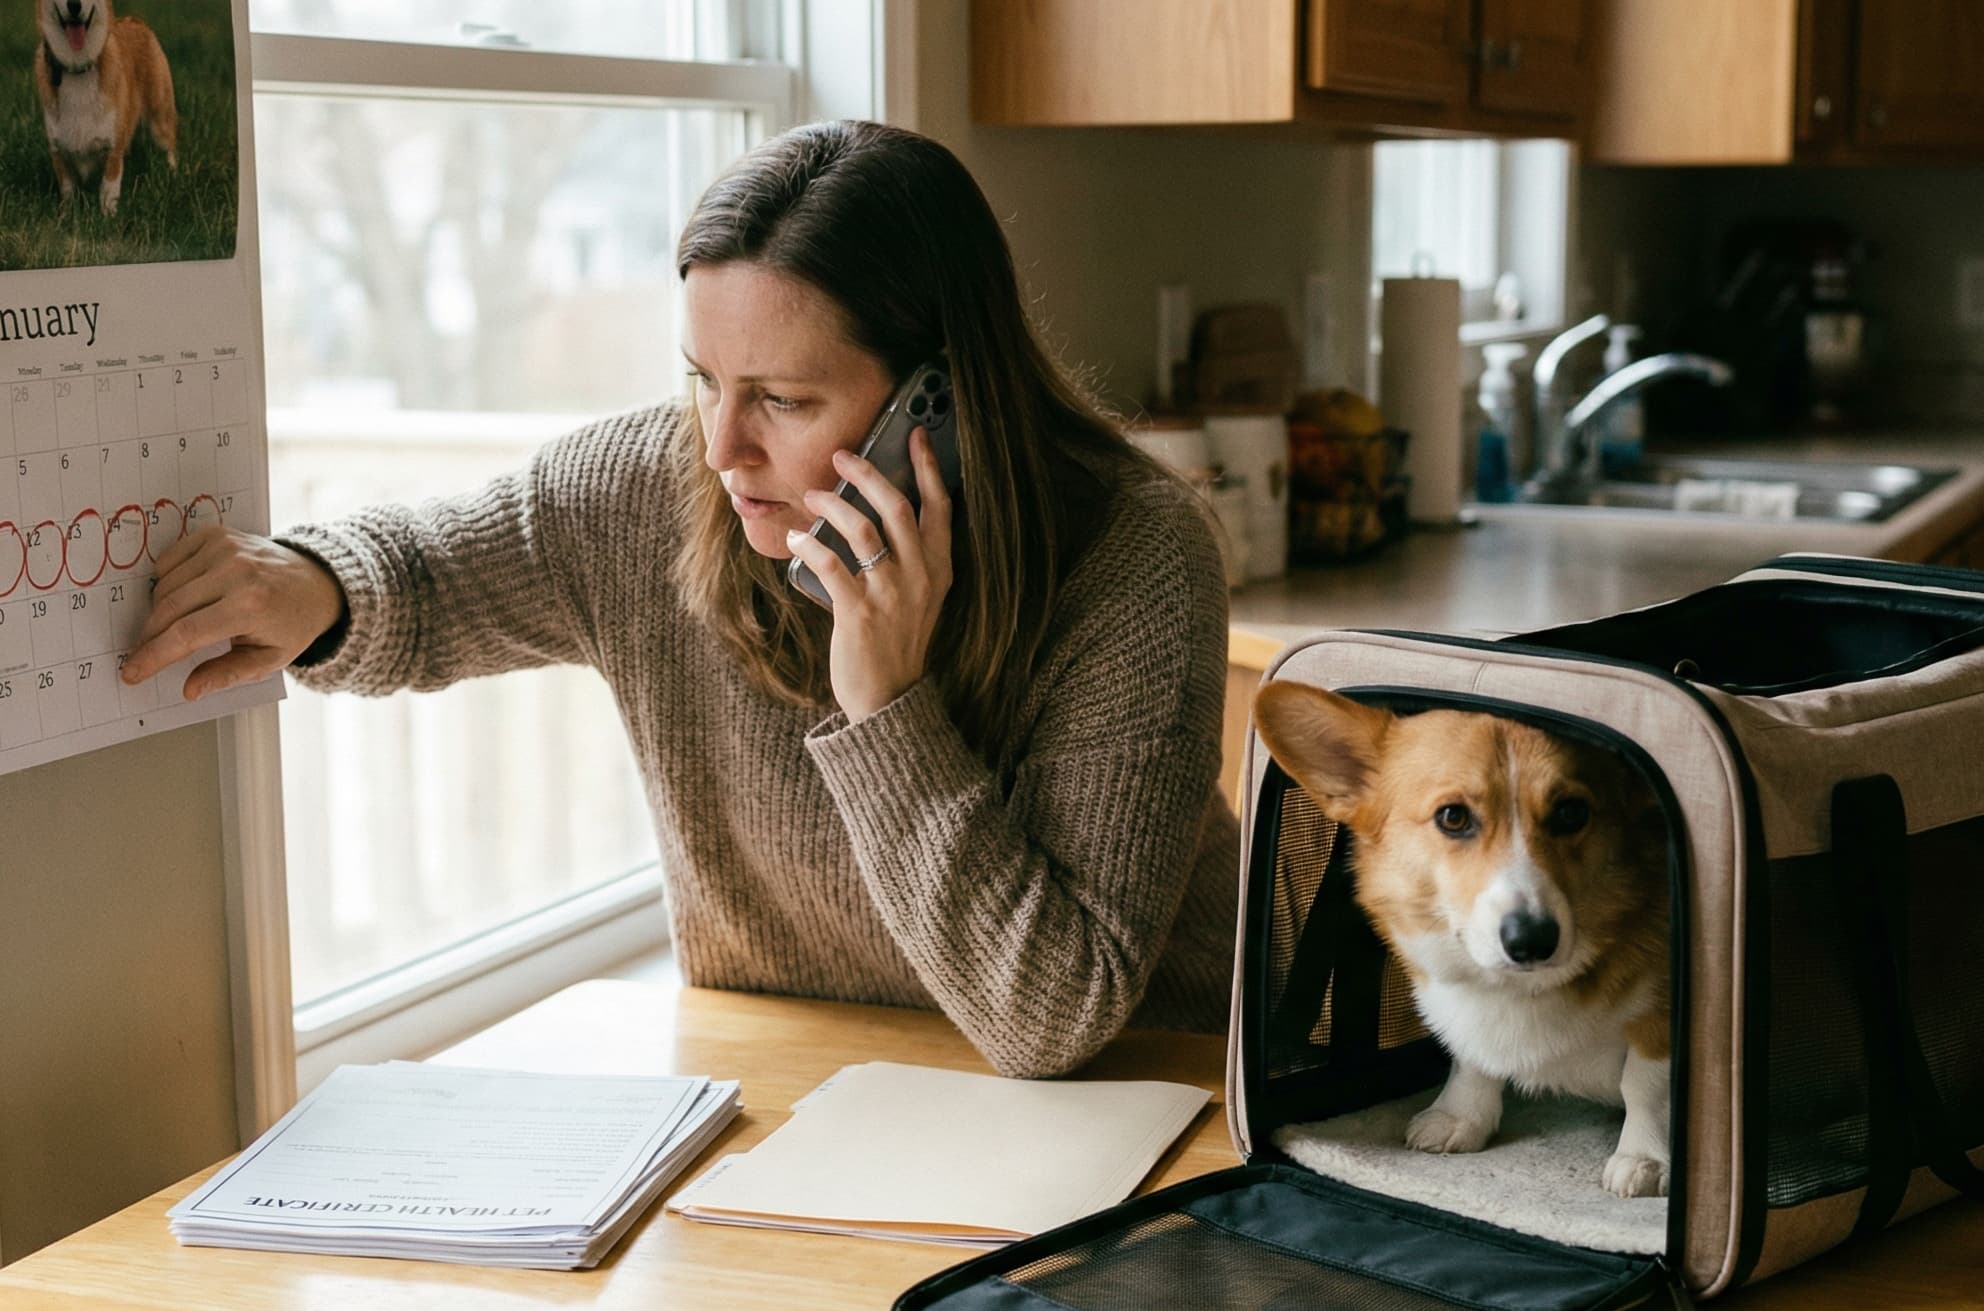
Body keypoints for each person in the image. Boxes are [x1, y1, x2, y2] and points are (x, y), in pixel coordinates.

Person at [119, 120, 1237, 1078]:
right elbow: (424, 570)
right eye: (704, 380)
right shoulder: (647, 493)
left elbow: (1051, 1017)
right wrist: (309, 586)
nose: (720, 448)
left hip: (1152, 1109)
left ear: (937, 401)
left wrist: (887, 704)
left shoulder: (1134, 560)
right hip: (800, 1092)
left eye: (784, 399)